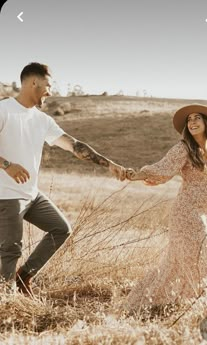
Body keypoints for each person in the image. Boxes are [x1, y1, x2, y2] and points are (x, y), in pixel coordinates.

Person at [0, 62, 126, 296]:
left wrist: (109, 164)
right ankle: (6, 299)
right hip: (6, 195)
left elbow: (74, 145)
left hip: (31, 194)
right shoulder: (4, 109)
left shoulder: (42, 120)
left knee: (61, 229)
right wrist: (7, 165)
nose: (50, 91)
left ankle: (24, 276)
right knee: (10, 250)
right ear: (34, 82)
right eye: (48, 85)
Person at [125, 104, 207, 313]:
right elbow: (163, 168)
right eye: (189, 120)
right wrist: (137, 174)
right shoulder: (183, 148)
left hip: (204, 213)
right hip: (186, 212)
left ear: (206, 123)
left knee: (200, 255)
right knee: (203, 255)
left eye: (197, 118)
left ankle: (192, 301)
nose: (192, 122)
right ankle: (154, 302)